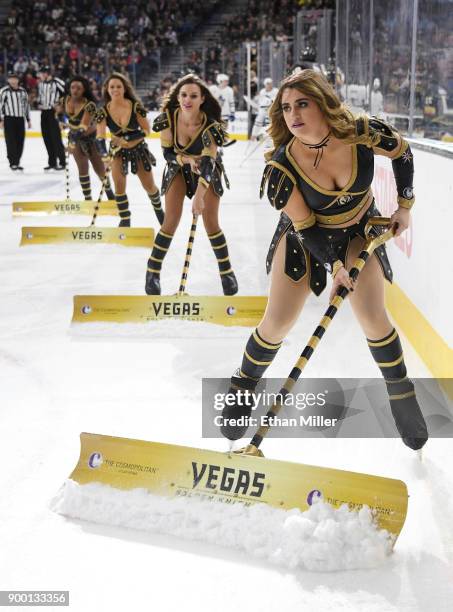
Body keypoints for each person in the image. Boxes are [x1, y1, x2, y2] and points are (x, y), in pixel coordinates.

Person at [221, 70, 428, 451]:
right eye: (286, 108)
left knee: (373, 317)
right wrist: (334, 267)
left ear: (323, 103)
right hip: (306, 237)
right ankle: (243, 385)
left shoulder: (361, 130)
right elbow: (306, 227)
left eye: (302, 104)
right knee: (278, 322)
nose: (293, 114)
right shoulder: (282, 168)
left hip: (360, 230)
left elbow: (402, 151)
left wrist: (405, 206)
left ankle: (402, 394)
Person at [146, 73, 237, 296]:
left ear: (202, 99)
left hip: (207, 171)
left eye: (193, 96)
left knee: (211, 224)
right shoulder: (168, 118)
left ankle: (227, 272)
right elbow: (168, 154)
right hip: (178, 168)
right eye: (183, 95)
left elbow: (208, 163)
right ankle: (152, 272)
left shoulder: (211, 126)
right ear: (177, 97)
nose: (187, 100)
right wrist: (186, 160)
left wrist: (199, 196)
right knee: (170, 222)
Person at [95, 72, 163, 227]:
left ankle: (159, 212)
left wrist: (126, 139)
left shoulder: (136, 107)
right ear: (107, 89)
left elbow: (146, 130)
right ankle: (125, 219)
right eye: (112, 87)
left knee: (149, 187)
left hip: (138, 150)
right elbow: (100, 137)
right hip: (117, 153)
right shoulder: (102, 112)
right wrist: (104, 156)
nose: (115, 90)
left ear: (124, 88)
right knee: (119, 187)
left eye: (118, 86)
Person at [55, 76, 115, 202]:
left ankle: (110, 194)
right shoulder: (64, 100)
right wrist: (60, 121)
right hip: (75, 138)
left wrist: (72, 141)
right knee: (82, 168)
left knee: (99, 169)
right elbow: (59, 112)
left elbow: (83, 126)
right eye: (72, 87)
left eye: (78, 88)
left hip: (91, 138)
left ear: (84, 90)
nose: (75, 90)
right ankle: (87, 198)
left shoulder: (90, 105)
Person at [0, 72, 31, 171]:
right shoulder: (4, 91)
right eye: (11, 79)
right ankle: (13, 162)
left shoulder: (23, 91)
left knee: (20, 141)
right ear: (8, 80)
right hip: (9, 119)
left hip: (20, 119)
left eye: (15, 78)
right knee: (10, 141)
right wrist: (0, 120)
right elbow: (0, 106)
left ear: (18, 80)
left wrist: (28, 119)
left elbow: (26, 106)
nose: (13, 80)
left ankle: (17, 161)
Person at [38, 65, 66, 171]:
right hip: (44, 112)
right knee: (47, 138)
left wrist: (60, 105)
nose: (41, 75)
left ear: (47, 73)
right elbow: (41, 97)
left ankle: (62, 162)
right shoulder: (41, 84)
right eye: (41, 73)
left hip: (54, 113)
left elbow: (67, 93)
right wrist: (39, 103)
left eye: (43, 73)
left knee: (56, 138)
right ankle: (52, 162)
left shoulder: (57, 82)